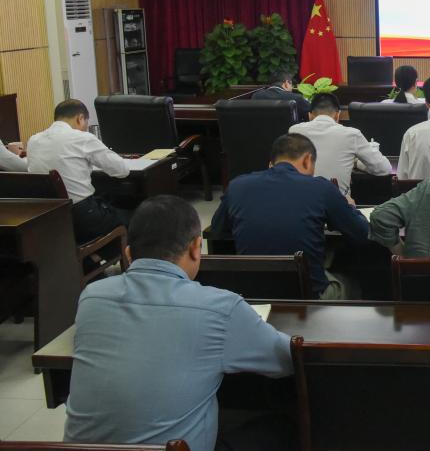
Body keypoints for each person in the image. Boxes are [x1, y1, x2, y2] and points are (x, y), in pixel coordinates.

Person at [64, 195, 292, 451]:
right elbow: (288, 360)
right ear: (196, 248)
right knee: (283, 427)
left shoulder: (92, 297)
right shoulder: (221, 308)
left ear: (128, 254)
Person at [210, 133, 369, 299]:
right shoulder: (321, 188)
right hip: (309, 296)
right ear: (307, 160)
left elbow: (217, 231)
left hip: (252, 295)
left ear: (271, 163)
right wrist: (350, 207)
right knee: (354, 284)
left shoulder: (237, 186)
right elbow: (362, 232)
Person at [27, 99, 129, 244]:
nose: (85, 128)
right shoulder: (82, 138)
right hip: (82, 217)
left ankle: (95, 255)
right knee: (130, 217)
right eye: (86, 123)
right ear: (80, 118)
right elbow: (122, 170)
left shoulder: (33, 140)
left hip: (48, 219)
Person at [289, 92, 391, 194]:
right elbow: (383, 168)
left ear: (310, 115)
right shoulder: (352, 134)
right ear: (338, 115)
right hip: (337, 202)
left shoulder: (294, 131)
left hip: (300, 200)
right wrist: (356, 163)